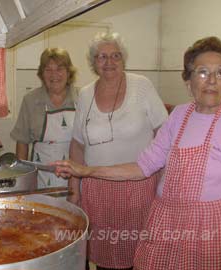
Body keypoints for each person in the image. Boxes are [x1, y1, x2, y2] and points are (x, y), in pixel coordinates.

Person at [54, 36, 221, 270]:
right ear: (188, 80)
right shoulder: (179, 115)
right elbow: (143, 166)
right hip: (165, 222)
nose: (211, 81)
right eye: (202, 72)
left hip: (206, 233)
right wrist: (87, 170)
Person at [67, 32, 168, 270]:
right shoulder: (84, 94)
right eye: (102, 57)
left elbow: (164, 134)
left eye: (116, 56)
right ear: (93, 62)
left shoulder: (141, 86)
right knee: (104, 257)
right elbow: (77, 144)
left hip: (139, 188)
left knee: (139, 254)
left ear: (124, 59)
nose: (109, 62)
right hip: (97, 190)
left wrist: (164, 182)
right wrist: (74, 190)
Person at [10, 48, 77, 189]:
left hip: (75, 176)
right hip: (41, 175)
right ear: (41, 74)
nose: (54, 75)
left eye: (60, 68)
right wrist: (22, 179)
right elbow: (22, 141)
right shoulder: (31, 100)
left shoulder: (82, 97)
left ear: (68, 72)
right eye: (48, 70)